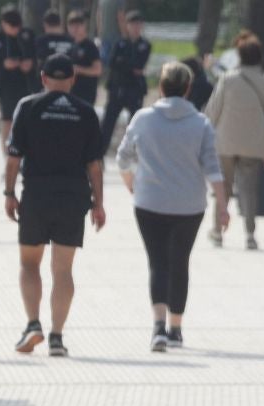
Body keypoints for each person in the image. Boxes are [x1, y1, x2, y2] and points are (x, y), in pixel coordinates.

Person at [117, 62, 230, 353]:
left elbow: (123, 157)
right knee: (180, 263)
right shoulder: (200, 123)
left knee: (158, 263)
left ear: (161, 87)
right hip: (189, 206)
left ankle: (157, 328)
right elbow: (213, 168)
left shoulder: (143, 119)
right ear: (188, 89)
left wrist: (132, 182)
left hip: (149, 201)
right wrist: (223, 206)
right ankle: (176, 328)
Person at [4, 54, 106, 358]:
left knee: (29, 263)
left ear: (44, 78)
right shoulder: (86, 112)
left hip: (37, 193)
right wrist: (99, 203)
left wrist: (9, 193)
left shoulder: (28, 106)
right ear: (73, 80)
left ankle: (33, 323)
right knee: (63, 269)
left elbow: (13, 158)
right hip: (73, 196)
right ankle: (57, 337)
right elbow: (95, 165)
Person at [204, 31, 264, 251]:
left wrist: (206, 134)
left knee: (223, 188)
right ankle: (250, 233)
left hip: (225, 142)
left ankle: (218, 231)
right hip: (254, 144)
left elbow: (213, 110)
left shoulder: (228, 79)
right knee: (249, 190)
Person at [98, 10, 152, 153]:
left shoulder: (145, 45)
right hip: (117, 88)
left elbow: (139, 65)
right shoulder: (120, 43)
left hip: (135, 89)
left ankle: (131, 152)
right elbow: (112, 63)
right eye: (132, 24)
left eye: (138, 24)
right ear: (127, 26)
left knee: (135, 123)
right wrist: (129, 66)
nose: (135, 27)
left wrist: (124, 63)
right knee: (108, 122)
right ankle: (100, 152)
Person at [0, 6, 37, 146]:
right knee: (8, 120)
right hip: (6, 87)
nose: (15, 30)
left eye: (17, 26)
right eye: (12, 27)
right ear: (3, 23)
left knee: (27, 121)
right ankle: (7, 158)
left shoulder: (28, 35)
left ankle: (26, 156)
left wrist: (30, 64)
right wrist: (3, 65)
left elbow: (38, 57)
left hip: (26, 85)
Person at [66, 10, 103, 107]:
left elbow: (97, 70)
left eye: (78, 25)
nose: (75, 28)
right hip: (72, 92)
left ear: (84, 26)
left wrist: (78, 69)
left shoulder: (90, 46)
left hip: (86, 93)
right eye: (72, 25)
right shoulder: (70, 46)